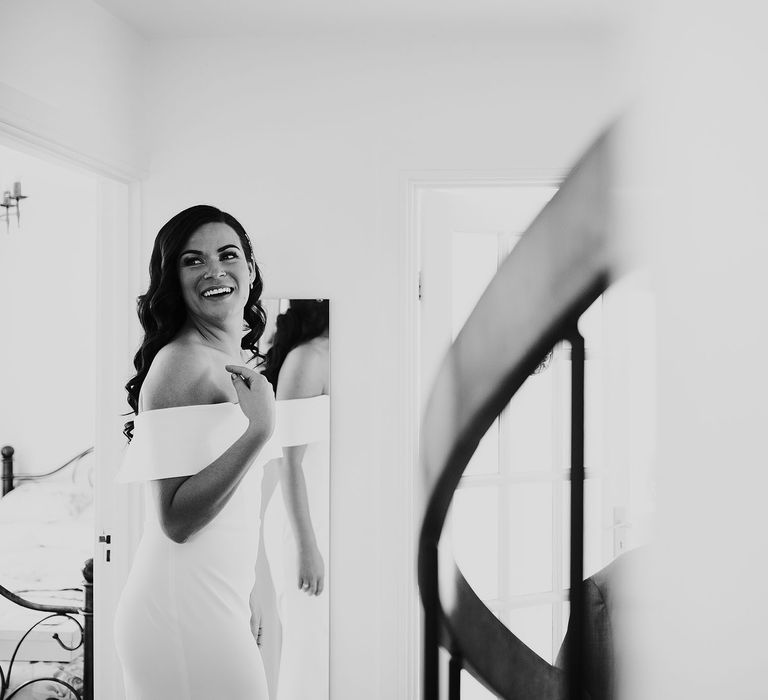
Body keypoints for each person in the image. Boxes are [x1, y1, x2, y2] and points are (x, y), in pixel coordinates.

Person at [113, 205, 279, 700]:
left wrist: (247, 590)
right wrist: (258, 432)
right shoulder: (180, 362)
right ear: (172, 280)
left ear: (249, 270)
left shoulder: (225, 360)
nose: (214, 270)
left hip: (214, 601)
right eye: (192, 261)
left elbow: (239, 505)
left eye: (228, 255)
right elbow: (175, 521)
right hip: (180, 610)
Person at [258, 299, 330, 700]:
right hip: (302, 522)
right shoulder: (308, 359)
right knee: (309, 645)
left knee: (333, 648)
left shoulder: (360, 351)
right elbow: (290, 463)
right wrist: (307, 547)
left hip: (334, 520)